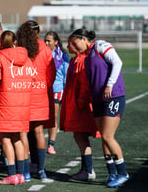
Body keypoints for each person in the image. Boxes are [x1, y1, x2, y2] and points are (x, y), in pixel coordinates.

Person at [70, 29, 129, 188]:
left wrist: (109, 85)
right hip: (98, 100)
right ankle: (112, 173)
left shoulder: (101, 46)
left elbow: (117, 62)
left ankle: (123, 173)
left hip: (113, 96)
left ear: (83, 38)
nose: (75, 47)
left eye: (76, 43)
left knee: (108, 136)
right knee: (104, 137)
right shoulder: (87, 57)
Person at [0, 31, 33, 185]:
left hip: (6, 103)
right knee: (18, 138)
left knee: (5, 138)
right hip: (22, 102)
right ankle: (21, 174)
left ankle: (12, 174)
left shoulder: (0, 57)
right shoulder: (26, 58)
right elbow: (31, 76)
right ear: (15, 41)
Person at [16, 20, 56, 182]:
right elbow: (51, 74)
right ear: (38, 33)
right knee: (39, 132)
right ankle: (40, 170)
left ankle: (25, 171)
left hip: (22, 93)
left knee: (23, 133)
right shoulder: (45, 49)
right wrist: (43, 87)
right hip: (40, 94)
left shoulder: (19, 48)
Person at [59, 36, 99, 181]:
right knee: (79, 136)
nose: (68, 47)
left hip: (80, 106)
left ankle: (88, 170)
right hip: (74, 104)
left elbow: (84, 84)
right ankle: (86, 169)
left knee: (81, 136)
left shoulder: (82, 60)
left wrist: (81, 102)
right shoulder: (74, 60)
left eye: (71, 44)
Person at [44, 31, 70, 155]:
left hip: (56, 89)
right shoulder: (42, 53)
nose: (46, 42)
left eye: (49, 40)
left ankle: (51, 144)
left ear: (56, 42)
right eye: (45, 40)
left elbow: (66, 75)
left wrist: (65, 91)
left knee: (53, 117)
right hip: (42, 89)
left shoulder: (63, 56)